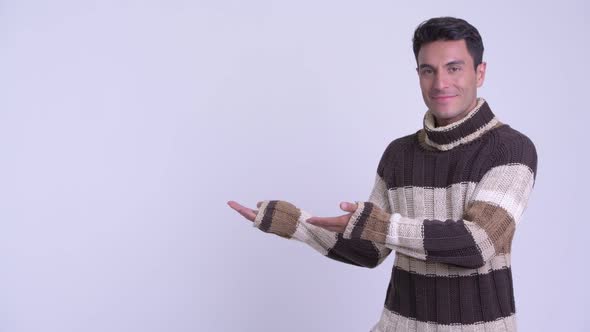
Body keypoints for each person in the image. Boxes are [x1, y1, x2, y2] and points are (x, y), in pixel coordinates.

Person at [228, 16, 537, 332]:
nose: (440, 83)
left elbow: (477, 244)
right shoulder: (399, 154)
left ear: (480, 72)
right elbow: (371, 249)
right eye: (428, 71)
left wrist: (377, 225)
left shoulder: (510, 149)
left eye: (454, 68)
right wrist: (297, 223)